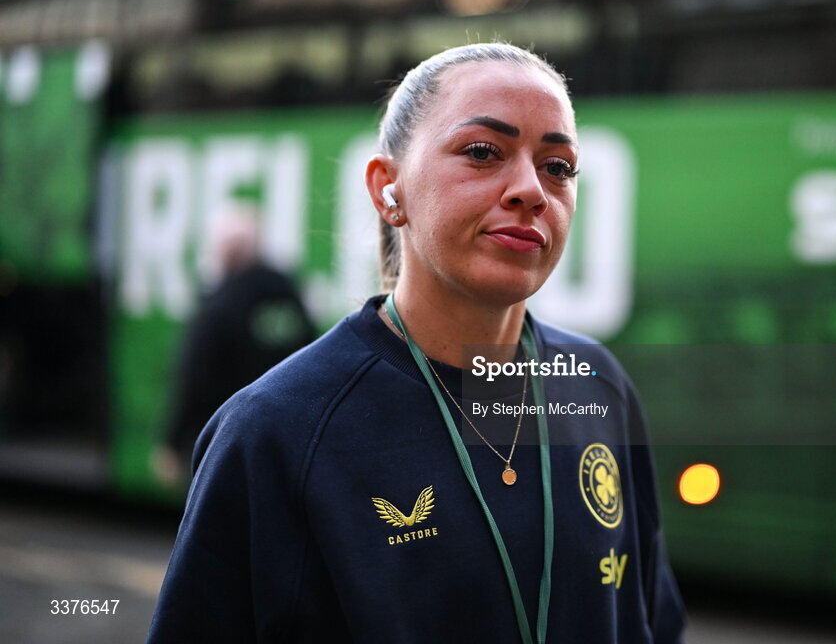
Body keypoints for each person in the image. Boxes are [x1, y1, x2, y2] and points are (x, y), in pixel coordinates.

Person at [148, 42, 686, 643]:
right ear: (388, 189)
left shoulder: (598, 386)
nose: (532, 189)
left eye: (558, 166)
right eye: (483, 152)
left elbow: (651, 623)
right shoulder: (277, 431)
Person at [150, 204, 317, 487]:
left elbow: (194, 377)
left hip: (230, 443)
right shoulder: (287, 291)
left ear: (225, 252)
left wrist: (171, 442)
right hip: (291, 440)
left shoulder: (221, 304)